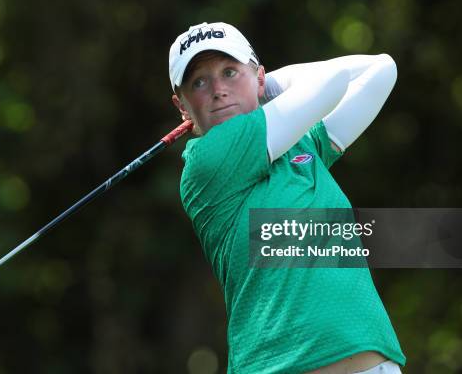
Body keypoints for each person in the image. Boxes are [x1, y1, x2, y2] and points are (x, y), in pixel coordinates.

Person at [168, 22, 406, 373]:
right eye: (199, 82)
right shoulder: (207, 161)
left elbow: (381, 70)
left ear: (259, 77)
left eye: (230, 71)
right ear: (182, 106)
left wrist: (267, 84)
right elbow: (335, 80)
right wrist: (260, 86)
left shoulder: (302, 145)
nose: (218, 89)